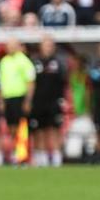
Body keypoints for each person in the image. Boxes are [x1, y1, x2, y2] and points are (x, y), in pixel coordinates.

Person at [29, 35, 67, 167]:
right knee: (38, 130)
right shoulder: (34, 62)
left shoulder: (59, 63)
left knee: (54, 129)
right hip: (38, 102)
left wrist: (63, 99)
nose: (48, 48)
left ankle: (56, 158)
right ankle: (41, 159)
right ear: (41, 47)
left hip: (54, 101)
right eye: (46, 45)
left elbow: (63, 83)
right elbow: (30, 83)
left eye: (50, 45)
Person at [0, 38, 35, 165]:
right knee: (10, 127)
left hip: (20, 97)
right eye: (9, 45)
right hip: (8, 98)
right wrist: (0, 100)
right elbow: (1, 82)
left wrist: (28, 100)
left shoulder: (24, 61)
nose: (11, 48)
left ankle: (23, 154)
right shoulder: (4, 61)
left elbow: (30, 82)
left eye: (13, 45)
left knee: (22, 127)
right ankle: (13, 153)